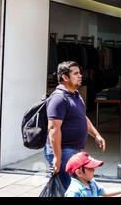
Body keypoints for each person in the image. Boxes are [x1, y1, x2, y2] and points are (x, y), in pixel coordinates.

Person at [45, 61, 106, 189]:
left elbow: (82, 117)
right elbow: (53, 129)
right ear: (65, 77)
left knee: (72, 188)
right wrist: (57, 157)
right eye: (76, 73)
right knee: (74, 188)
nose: (80, 76)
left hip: (74, 150)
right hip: (63, 150)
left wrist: (96, 135)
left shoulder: (76, 95)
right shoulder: (58, 98)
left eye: (80, 73)